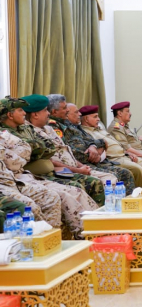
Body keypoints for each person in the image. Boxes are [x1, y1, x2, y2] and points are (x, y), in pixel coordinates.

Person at [0, 97, 97, 237]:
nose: (24, 113)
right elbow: (16, 161)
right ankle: (51, 239)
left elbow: (48, 146)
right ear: (10, 115)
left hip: (24, 177)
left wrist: (28, 150)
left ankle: (93, 230)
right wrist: (29, 150)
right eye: (20, 110)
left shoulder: (25, 128)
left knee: (74, 191)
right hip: (17, 179)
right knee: (47, 199)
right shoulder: (5, 133)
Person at [19, 94, 105, 206]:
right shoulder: (29, 133)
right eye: (45, 110)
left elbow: (66, 151)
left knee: (100, 180)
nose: (48, 113)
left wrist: (81, 167)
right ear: (35, 114)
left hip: (72, 168)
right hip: (54, 172)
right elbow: (49, 159)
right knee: (88, 184)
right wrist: (78, 170)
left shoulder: (48, 128)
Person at [60, 103, 137, 194]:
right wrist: (96, 154)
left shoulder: (77, 128)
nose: (79, 114)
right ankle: (116, 201)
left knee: (125, 173)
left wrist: (93, 146)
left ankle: (129, 200)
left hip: (101, 160)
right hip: (85, 164)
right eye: (76, 112)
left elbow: (97, 142)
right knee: (118, 175)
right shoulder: (64, 129)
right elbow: (76, 153)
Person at [81, 105, 142, 187]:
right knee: (138, 169)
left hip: (124, 156)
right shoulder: (85, 133)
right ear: (86, 119)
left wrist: (127, 153)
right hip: (113, 159)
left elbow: (117, 144)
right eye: (95, 117)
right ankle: (140, 193)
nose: (98, 119)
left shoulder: (100, 129)